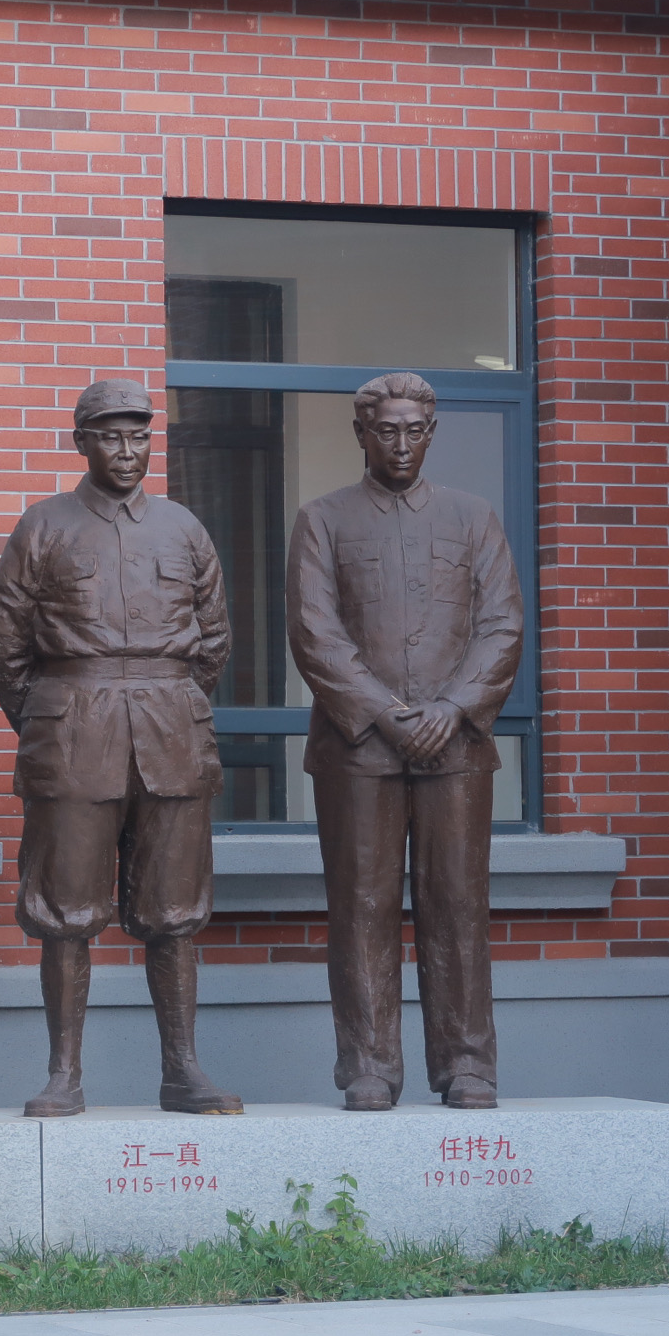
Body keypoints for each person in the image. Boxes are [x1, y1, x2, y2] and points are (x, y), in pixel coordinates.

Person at [0, 378, 242, 1117]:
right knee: (65, 910)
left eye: (138, 436)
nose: (127, 451)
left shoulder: (184, 529)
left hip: (171, 733)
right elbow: (0, 640)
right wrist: (49, 715)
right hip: (74, 731)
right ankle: (64, 1074)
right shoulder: (44, 526)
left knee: (175, 910)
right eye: (111, 437)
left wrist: (170, 701)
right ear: (82, 444)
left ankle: (183, 1069)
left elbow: (214, 639)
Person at [288, 371, 524, 1111]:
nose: (400, 444)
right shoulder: (323, 519)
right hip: (359, 747)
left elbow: (502, 625)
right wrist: (385, 714)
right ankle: (368, 1065)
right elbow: (314, 632)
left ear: (431, 434)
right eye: (385, 430)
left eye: (413, 431)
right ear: (361, 434)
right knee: (361, 907)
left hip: (456, 745)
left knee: (458, 904)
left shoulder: (473, 517)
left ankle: (467, 1064)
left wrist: (453, 708)